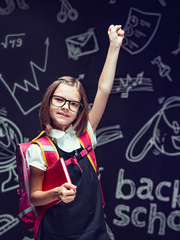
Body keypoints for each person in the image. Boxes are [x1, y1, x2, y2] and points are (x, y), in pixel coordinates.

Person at [26, 24, 124, 239]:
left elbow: (104, 89)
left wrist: (114, 47)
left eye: (73, 103)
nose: (65, 107)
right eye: (59, 100)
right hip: (57, 233)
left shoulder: (86, 134)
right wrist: (57, 193)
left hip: (94, 230)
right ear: (48, 102)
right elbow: (34, 197)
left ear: (80, 110)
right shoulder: (39, 148)